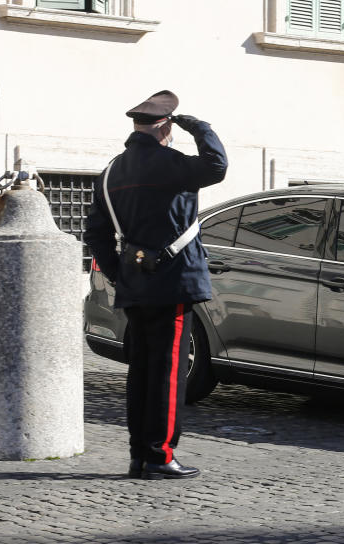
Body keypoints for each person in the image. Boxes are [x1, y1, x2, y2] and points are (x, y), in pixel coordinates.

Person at [84, 90, 228, 479]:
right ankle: (161, 456)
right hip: (173, 282)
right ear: (166, 126)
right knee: (166, 373)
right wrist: (200, 127)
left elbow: (95, 233)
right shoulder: (172, 163)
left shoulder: (111, 171)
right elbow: (216, 166)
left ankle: (139, 454)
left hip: (134, 283)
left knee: (142, 371)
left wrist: (119, 273)